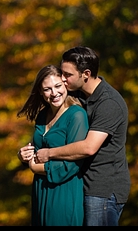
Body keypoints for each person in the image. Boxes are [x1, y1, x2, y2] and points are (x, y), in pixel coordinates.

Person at [34, 46, 130, 226]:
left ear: (85, 74)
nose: (63, 79)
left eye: (67, 74)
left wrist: (49, 153)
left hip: (103, 190)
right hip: (83, 186)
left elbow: (88, 147)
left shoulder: (108, 103)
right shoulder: (79, 95)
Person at [18, 65, 89, 226]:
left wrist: (37, 168)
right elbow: (38, 150)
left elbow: (74, 163)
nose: (54, 93)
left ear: (65, 84)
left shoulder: (77, 115)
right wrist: (23, 156)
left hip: (64, 191)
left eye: (57, 86)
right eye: (47, 89)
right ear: (41, 92)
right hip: (40, 190)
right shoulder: (42, 115)